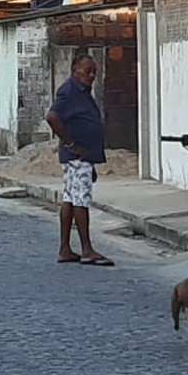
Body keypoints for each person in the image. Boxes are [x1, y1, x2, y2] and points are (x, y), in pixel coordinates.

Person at [45, 54, 114, 267]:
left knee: (70, 198)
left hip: (83, 156)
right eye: (87, 71)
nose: (91, 75)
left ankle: (65, 249)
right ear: (75, 69)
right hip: (78, 155)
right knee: (81, 200)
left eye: (94, 71)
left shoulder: (82, 92)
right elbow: (52, 116)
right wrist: (70, 143)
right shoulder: (70, 92)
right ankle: (87, 249)